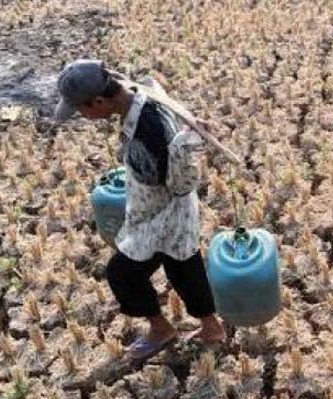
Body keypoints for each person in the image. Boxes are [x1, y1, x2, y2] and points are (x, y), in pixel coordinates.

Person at [54, 59, 226, 360]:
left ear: (99, 100)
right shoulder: (133, 91)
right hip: (177, 212)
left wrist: (142, 164)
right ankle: (212, 328)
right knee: (183, 267)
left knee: (122, 274)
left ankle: (161, 329)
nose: (82, 115)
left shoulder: (147, 132)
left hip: (161, 215)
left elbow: (160, 179)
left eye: (82, 110)